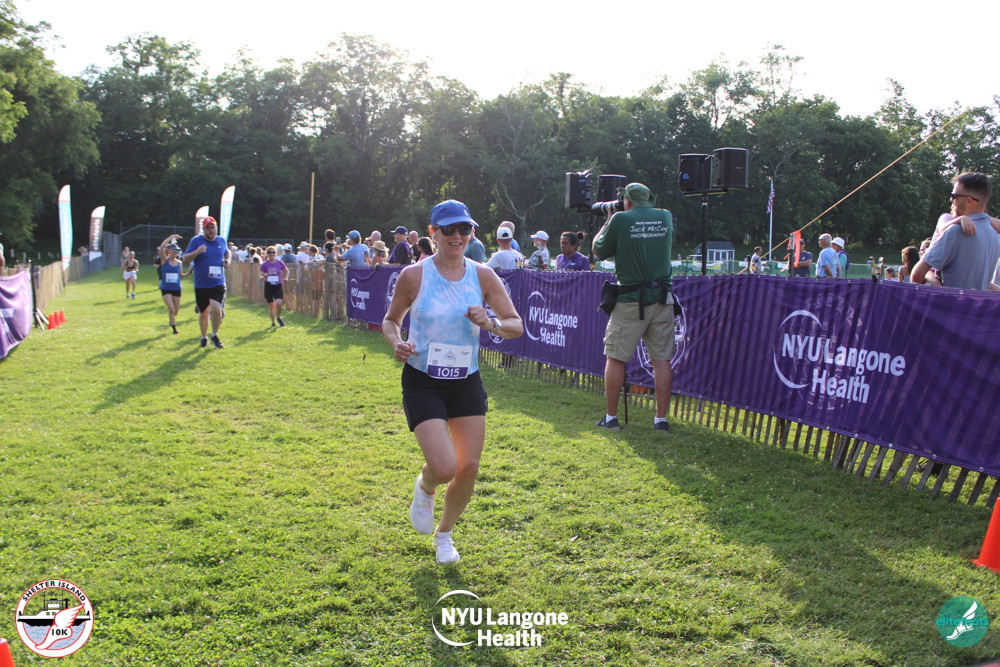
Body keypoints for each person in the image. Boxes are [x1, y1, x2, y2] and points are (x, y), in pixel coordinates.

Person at [382, 199, 523, 565]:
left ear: (472, 232)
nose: (457, 236)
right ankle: (426, 485)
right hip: (423, 379)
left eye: (464, 229)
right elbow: (391, 320)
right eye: (449, 230)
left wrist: (490, 322)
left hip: (465, 380)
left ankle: (444, 536)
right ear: (434, 233)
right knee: (444, 467)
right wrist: (397, 342)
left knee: (469, 467)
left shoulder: (483, 275)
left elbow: (515, 325)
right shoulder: (414, 275)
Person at [592, 182, 675, 432]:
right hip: (662, 298)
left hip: (630, 300)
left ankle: (611, 418)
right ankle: (661, 420)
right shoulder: (665, 216)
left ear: (627, 201)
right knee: (661, 359)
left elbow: (598, 250)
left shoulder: (620, 219)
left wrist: (607, 221)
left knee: (616, 357)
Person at [913, 173, 1000, 290]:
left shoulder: (955, 231)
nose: (951, 199)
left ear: (969, 201)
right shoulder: (995, 236)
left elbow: (916, 275)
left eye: (954, 196)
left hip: (949, 301)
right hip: (976, 302)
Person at [183, 216, 230, 349]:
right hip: (201, 283)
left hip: (218, 282)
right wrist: (197, 251)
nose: (211, 230)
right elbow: (185, 258)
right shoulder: (196, 241)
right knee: (204, 313)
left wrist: (228, 261)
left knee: (217, 309)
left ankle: (214, 335)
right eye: (208, 228)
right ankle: (204, 337)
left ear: (216, 227)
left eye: (212, 227)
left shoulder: (221, 240)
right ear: (203, 229)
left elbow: (227, 253)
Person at [260, 245, 289, 327]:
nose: (271, 254)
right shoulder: (265, 264)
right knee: (272, 305)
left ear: (276, 253)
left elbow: (287, 271)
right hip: (269, 285)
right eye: (269, 252)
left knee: (279, 302)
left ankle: (279, 317)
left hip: (278, 285)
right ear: (267, 254)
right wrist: (264, 275)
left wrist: (286, 277)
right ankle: (273, 322)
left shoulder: (280, 262)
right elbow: (260, 275)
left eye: (273, 252)